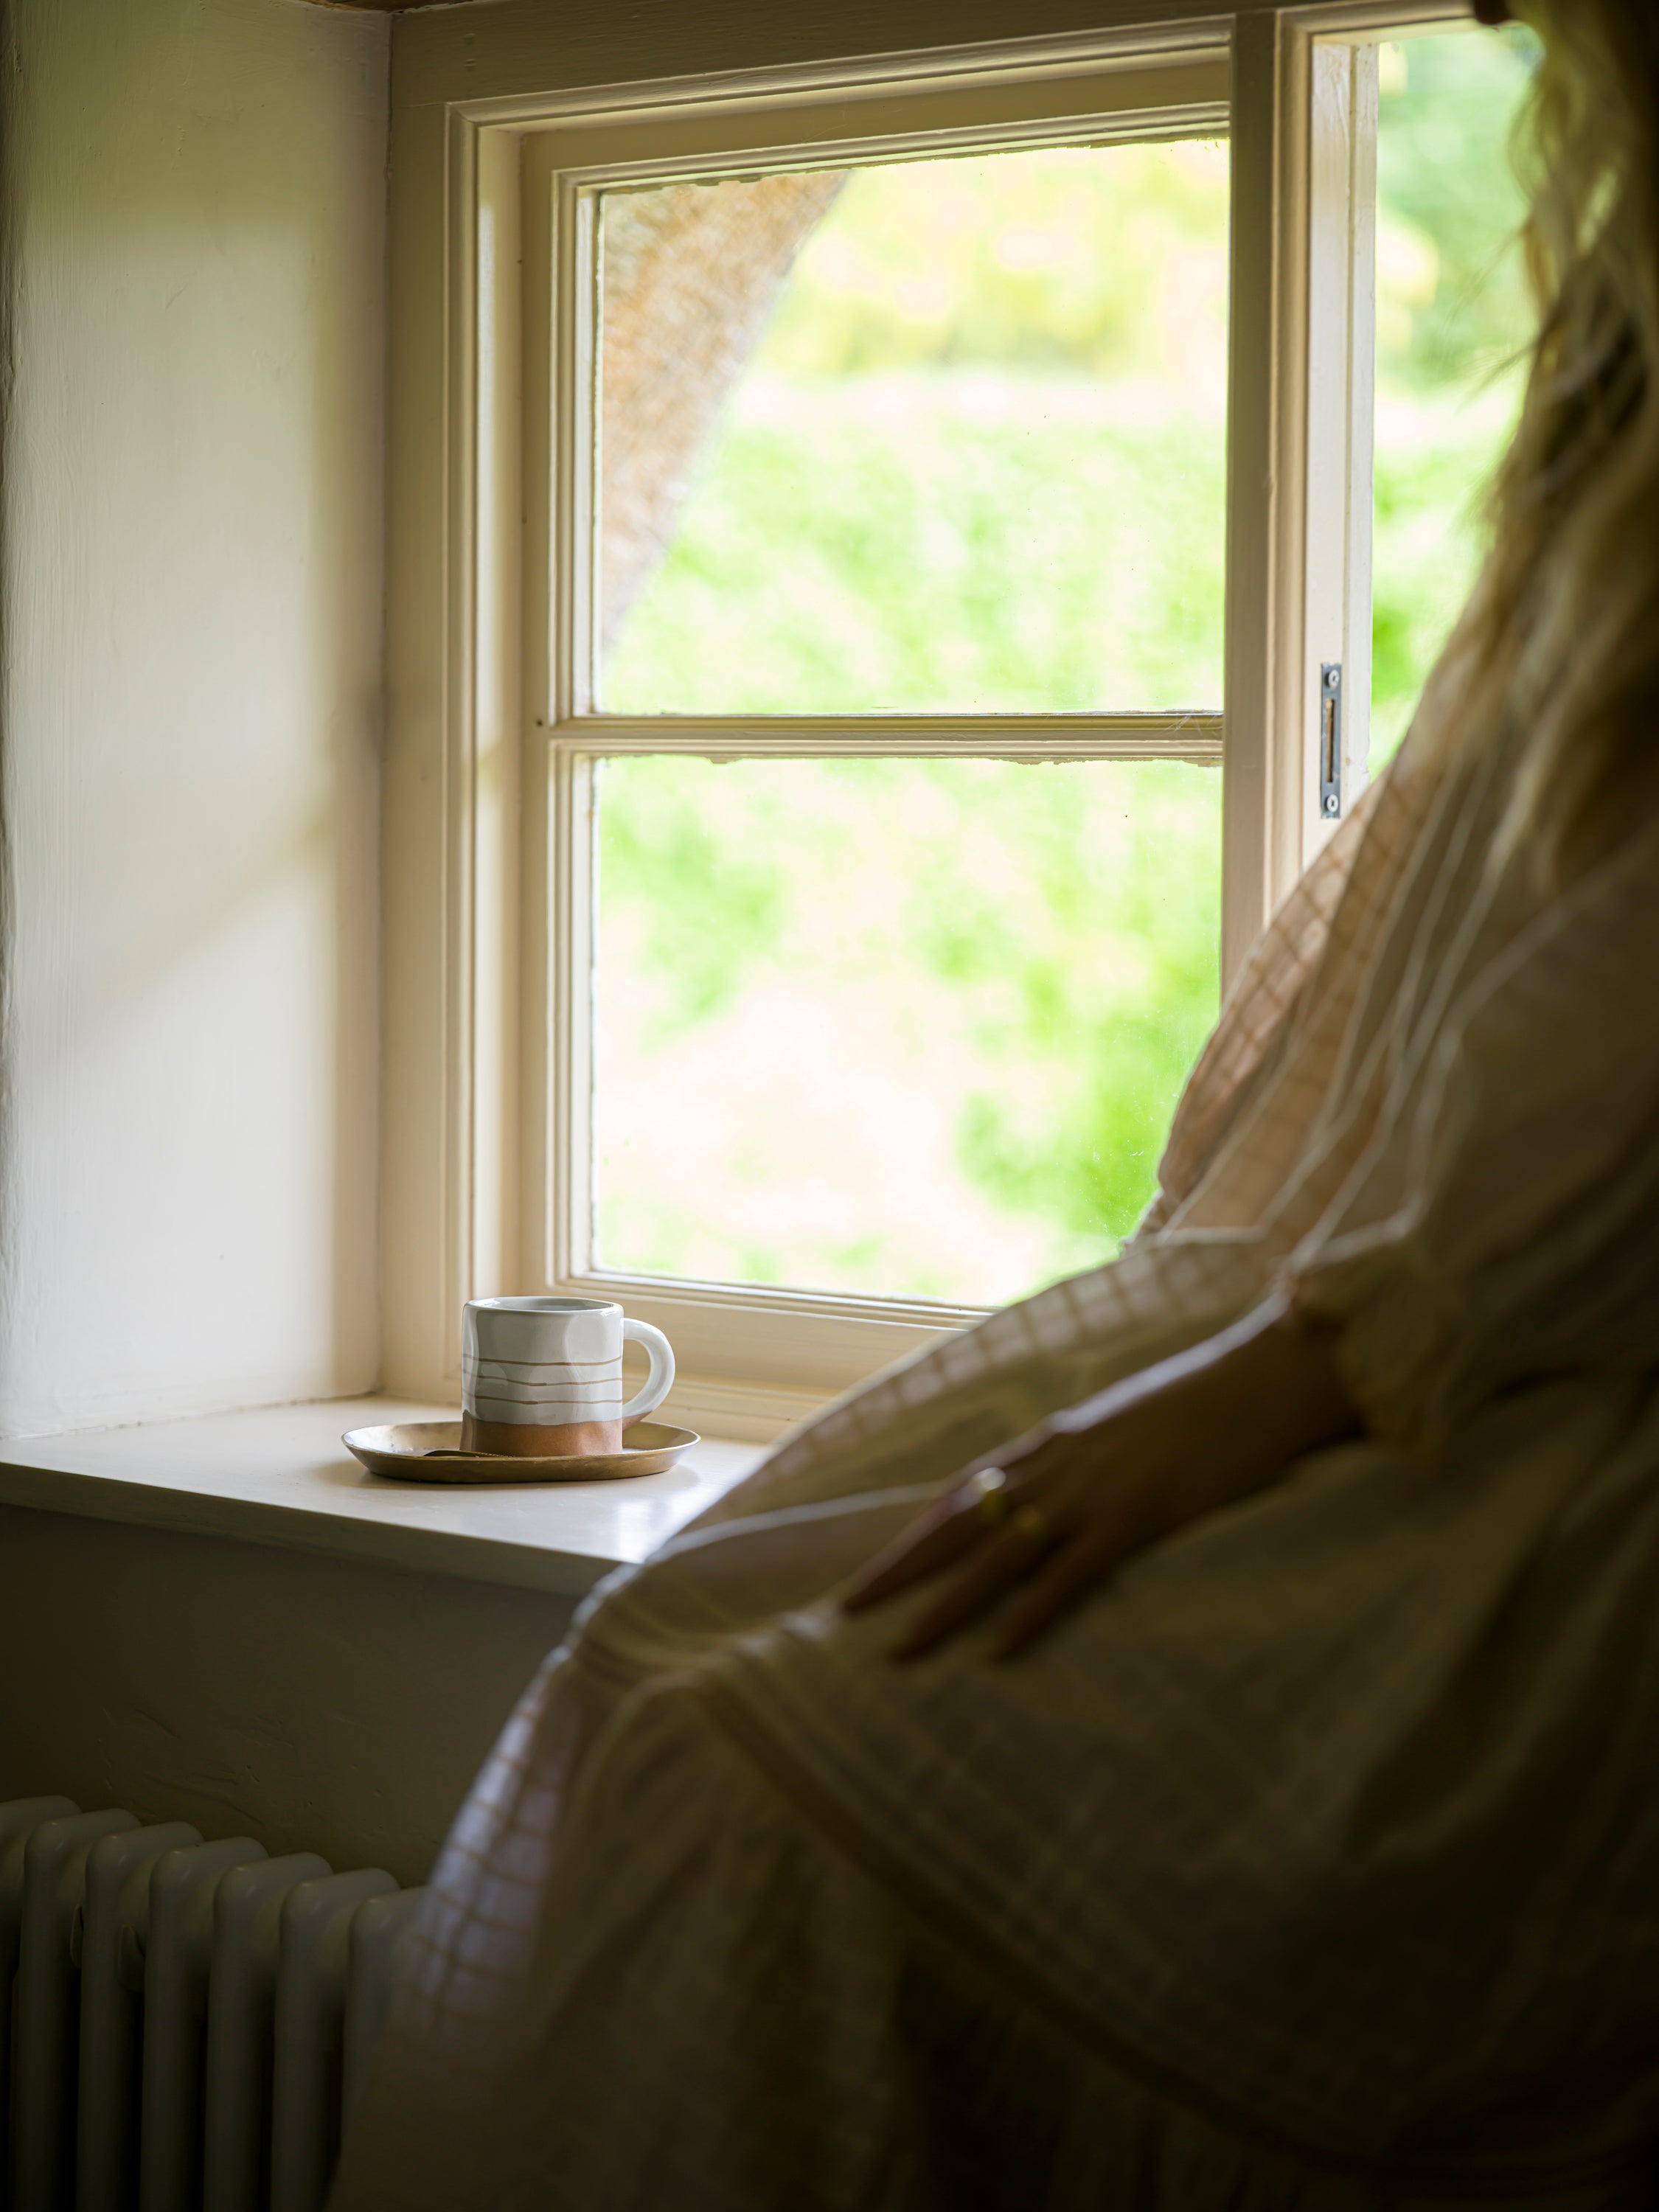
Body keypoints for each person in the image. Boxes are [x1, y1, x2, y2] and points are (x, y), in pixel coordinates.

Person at [331, 0, 1659, 2201]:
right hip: (1372, 1335)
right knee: (659, 1665)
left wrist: (1272, 1370)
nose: (1498, 14)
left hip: (1506, 1436)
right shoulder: (1603, 386)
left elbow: (1581, 1055)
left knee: (748, 1776)